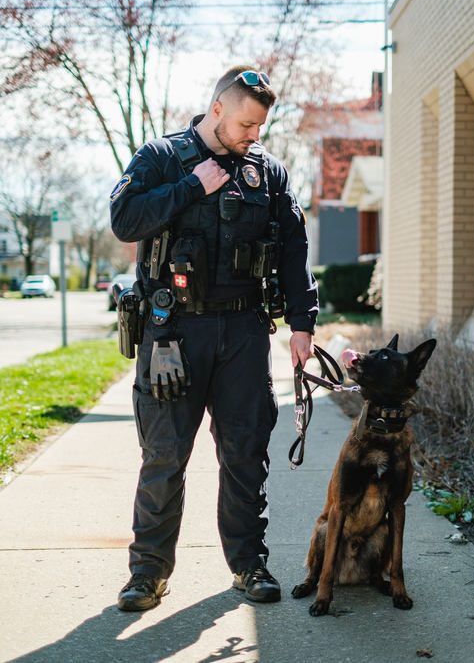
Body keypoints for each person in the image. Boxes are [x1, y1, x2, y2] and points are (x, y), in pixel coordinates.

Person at [110, 65, 318, 612]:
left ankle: (248, 564)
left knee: (247, 455)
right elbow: (124, 218)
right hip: (172, 332)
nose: (254, 136)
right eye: (247, 124)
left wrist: (303, 323)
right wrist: (188, 188)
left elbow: (294, 250)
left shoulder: (267, 172)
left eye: (260, 127)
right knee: (164, 455)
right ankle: (147, 574)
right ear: (218, 110)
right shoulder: (160, 157)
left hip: (245, 333)